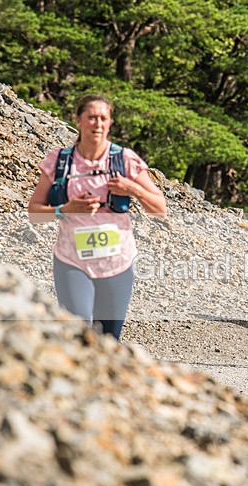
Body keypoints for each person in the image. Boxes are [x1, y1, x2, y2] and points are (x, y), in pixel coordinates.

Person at [28, 94, 166, 340]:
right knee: (76, 334)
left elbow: (160, 209)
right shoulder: (59, 161)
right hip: (72, 260)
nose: (98, 124)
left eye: (103, 118)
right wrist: (65, 209)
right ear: (78, 120)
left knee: (109, 340)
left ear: (110, 123)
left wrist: (132, 189)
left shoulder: (125, 160)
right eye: (91, 117)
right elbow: (34, 213)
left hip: (117, 263)